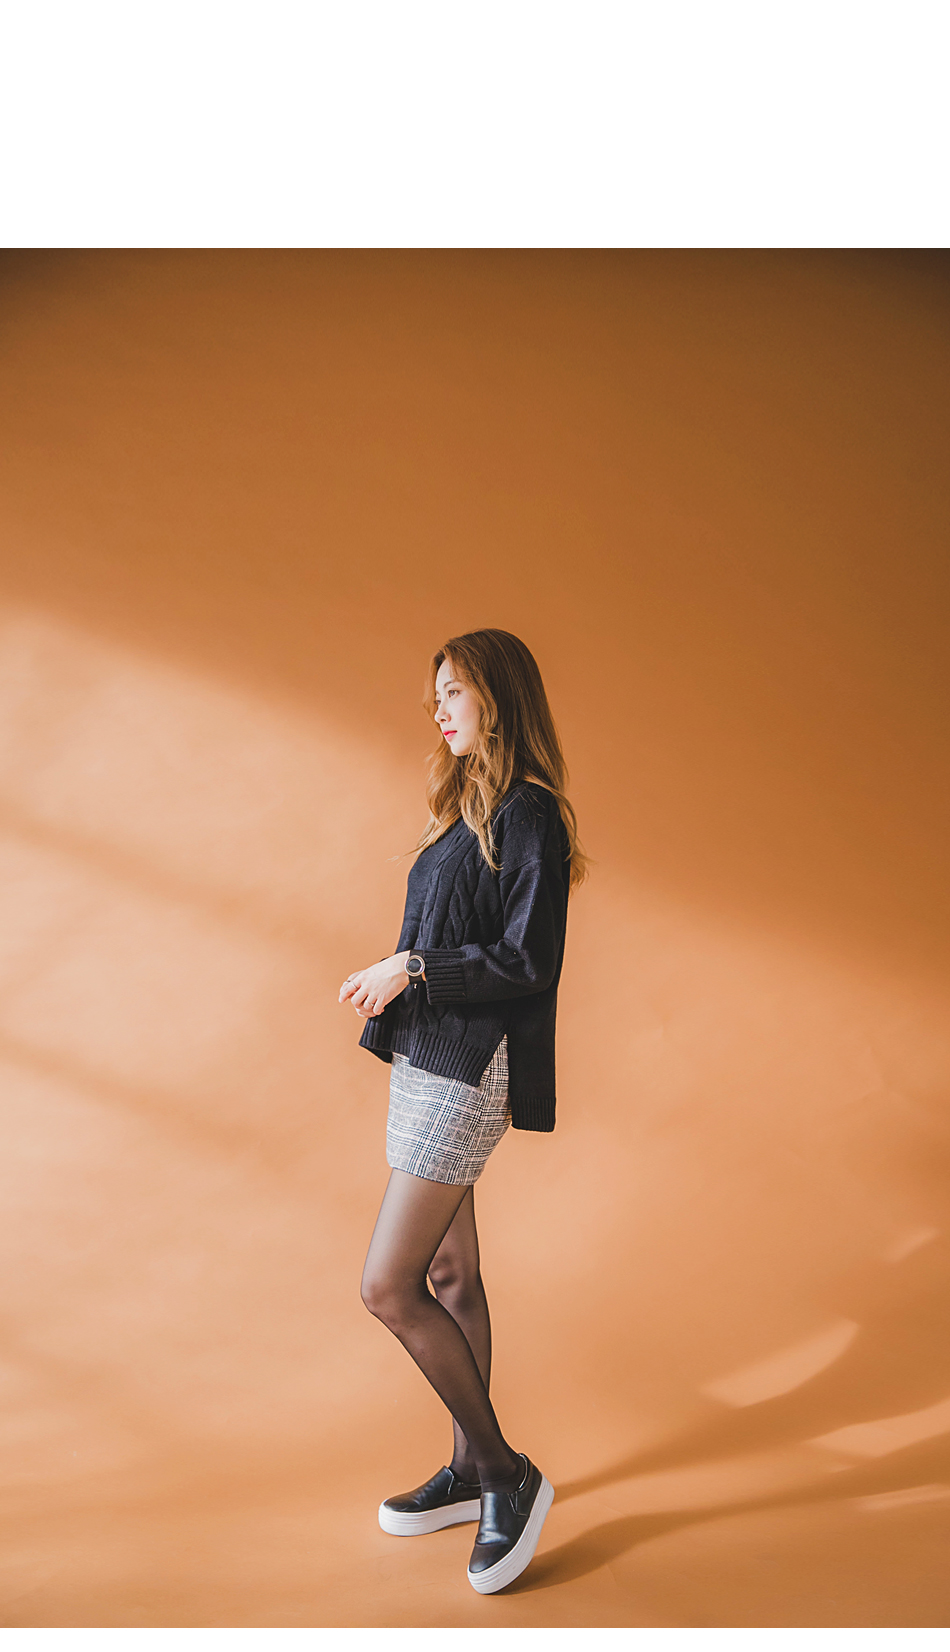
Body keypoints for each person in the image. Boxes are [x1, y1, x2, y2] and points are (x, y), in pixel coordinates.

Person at [339, 627, 587, 1595]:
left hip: (468, 1070)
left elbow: (529, 960)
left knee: (388, 1285)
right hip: (426, 1059)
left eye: (454, 690)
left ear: (498, 695)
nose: (438, 707)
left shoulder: (529, 812)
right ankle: (463, 1469)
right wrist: (398, 979)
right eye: (434, 693)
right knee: (449, 1272)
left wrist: (408, 966)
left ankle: (503, 1471)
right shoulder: (465, 813)